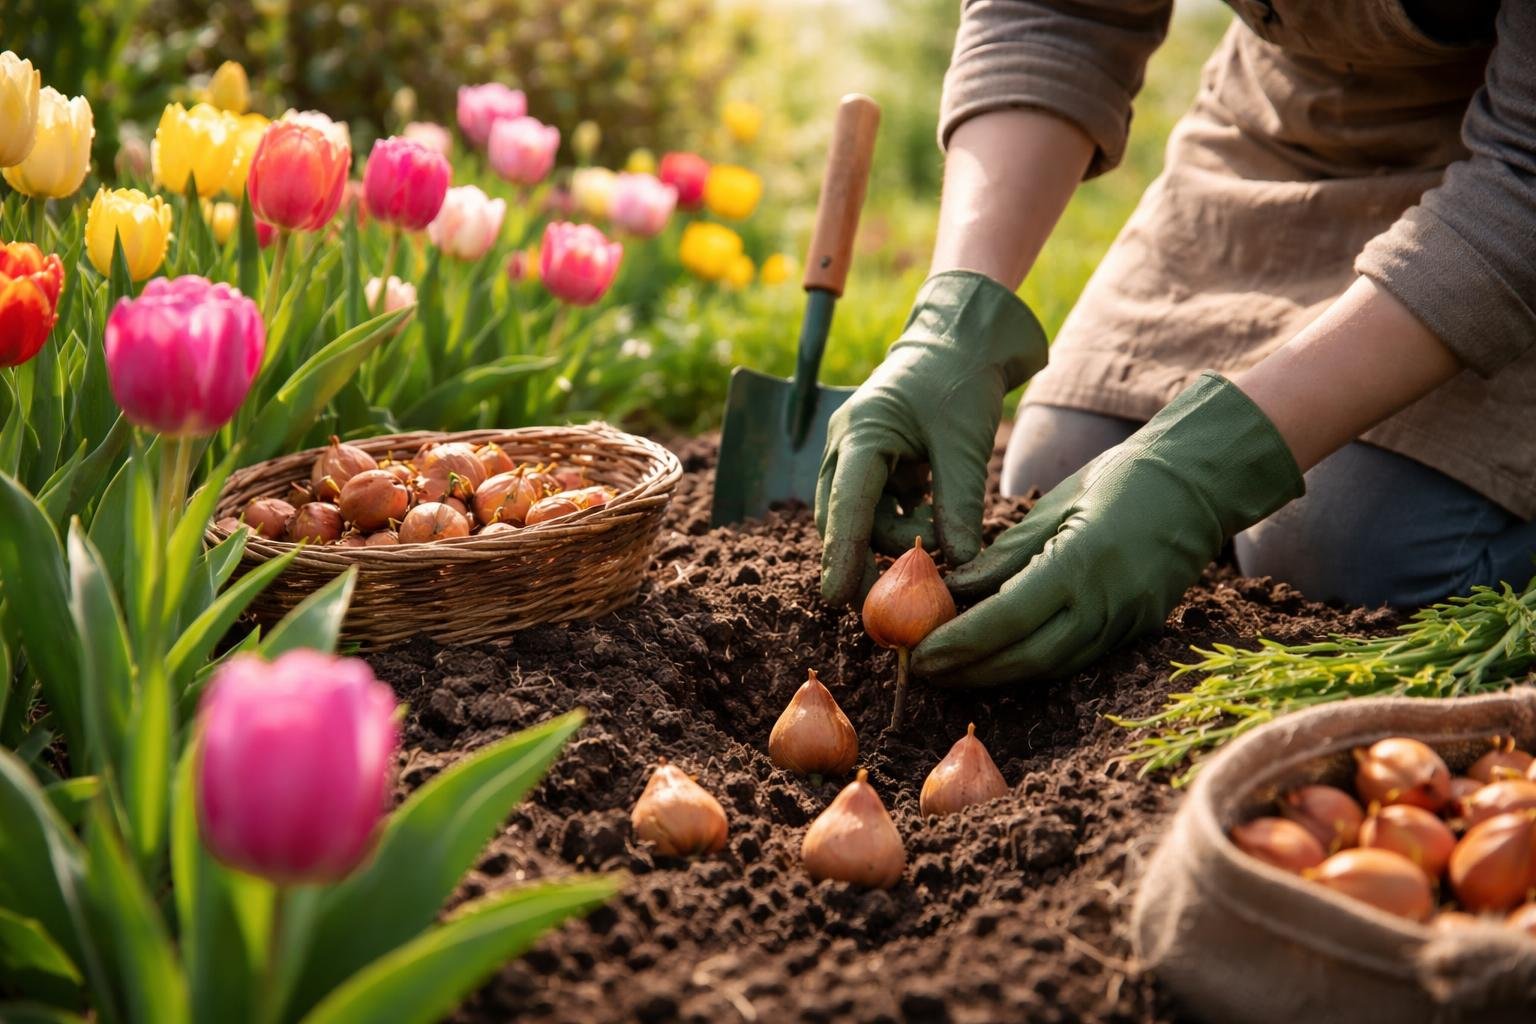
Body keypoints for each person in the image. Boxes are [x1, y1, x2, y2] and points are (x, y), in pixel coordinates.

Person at [816, 1, 1536, 687]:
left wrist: (1208, 467)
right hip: (1279, 128)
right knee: (1054, 469)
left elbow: (1523, 181)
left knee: (1343, 547)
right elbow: (1057, 13)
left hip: (1502, 184)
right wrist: (956, 315)